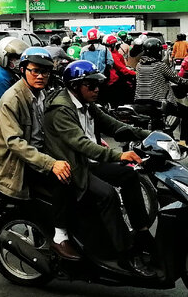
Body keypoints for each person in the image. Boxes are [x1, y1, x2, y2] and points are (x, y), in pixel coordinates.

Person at [43, 60, 147, 259]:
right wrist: (119, 155)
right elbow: (82, 144)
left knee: (129, 174)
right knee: (108, 194)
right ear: (75, 86)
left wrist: (149, 135)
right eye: (91, 85)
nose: (96, 89)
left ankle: (141, 232)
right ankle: (122, 252)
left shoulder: (88, 105)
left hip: (87, 163)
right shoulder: (61, 110)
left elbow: (114, 125)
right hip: (73, 167)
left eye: (98, 84)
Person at [0, 48, 78, 259]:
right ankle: (59, 236)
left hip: (37, 155)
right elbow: (15, 143)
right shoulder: (12, 99)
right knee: (64, 179)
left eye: (45, 72)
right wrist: (50, 163)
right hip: (18, 165)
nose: (40, 76)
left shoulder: (40, 94)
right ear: (23, 70)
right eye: (35, 71)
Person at [133, 39, 188, 145]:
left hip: (139, 104)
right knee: (186, 113)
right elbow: (177, 79)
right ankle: (183, 142)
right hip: (157, 104)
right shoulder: (161, 66)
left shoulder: (139, 65)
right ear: (158, 52)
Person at [0, 37, 26, 135]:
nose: (18, 61)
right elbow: (15, 106)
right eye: (15, 58)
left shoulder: (11, 75)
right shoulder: (1, 80)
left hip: (6, 125)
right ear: (4, 58)